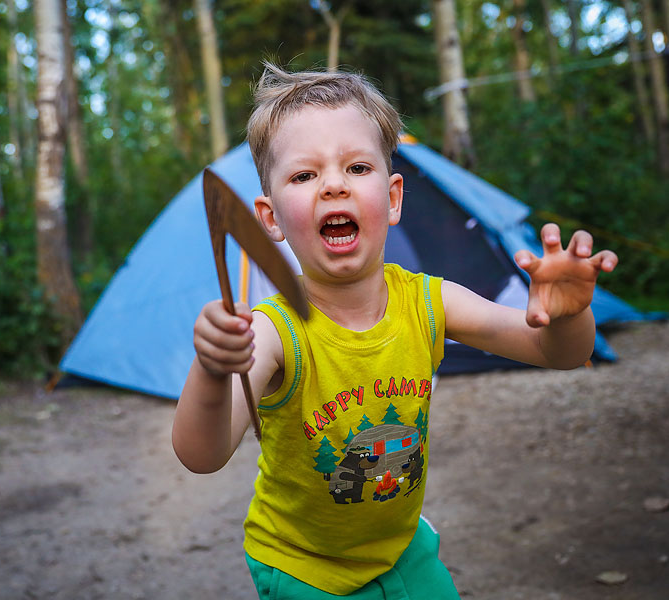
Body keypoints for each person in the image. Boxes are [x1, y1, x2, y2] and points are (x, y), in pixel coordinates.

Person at [171, 62, 618, 600]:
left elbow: (557, 352)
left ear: (393, 197)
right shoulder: (273, 333)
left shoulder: (430, 302)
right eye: (304, 175)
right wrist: (214, 368)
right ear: (270, 218)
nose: (333, 184)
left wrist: (569, 315)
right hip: (304, 569)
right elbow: (202, 454)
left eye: (357, 167)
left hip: (403, 548)